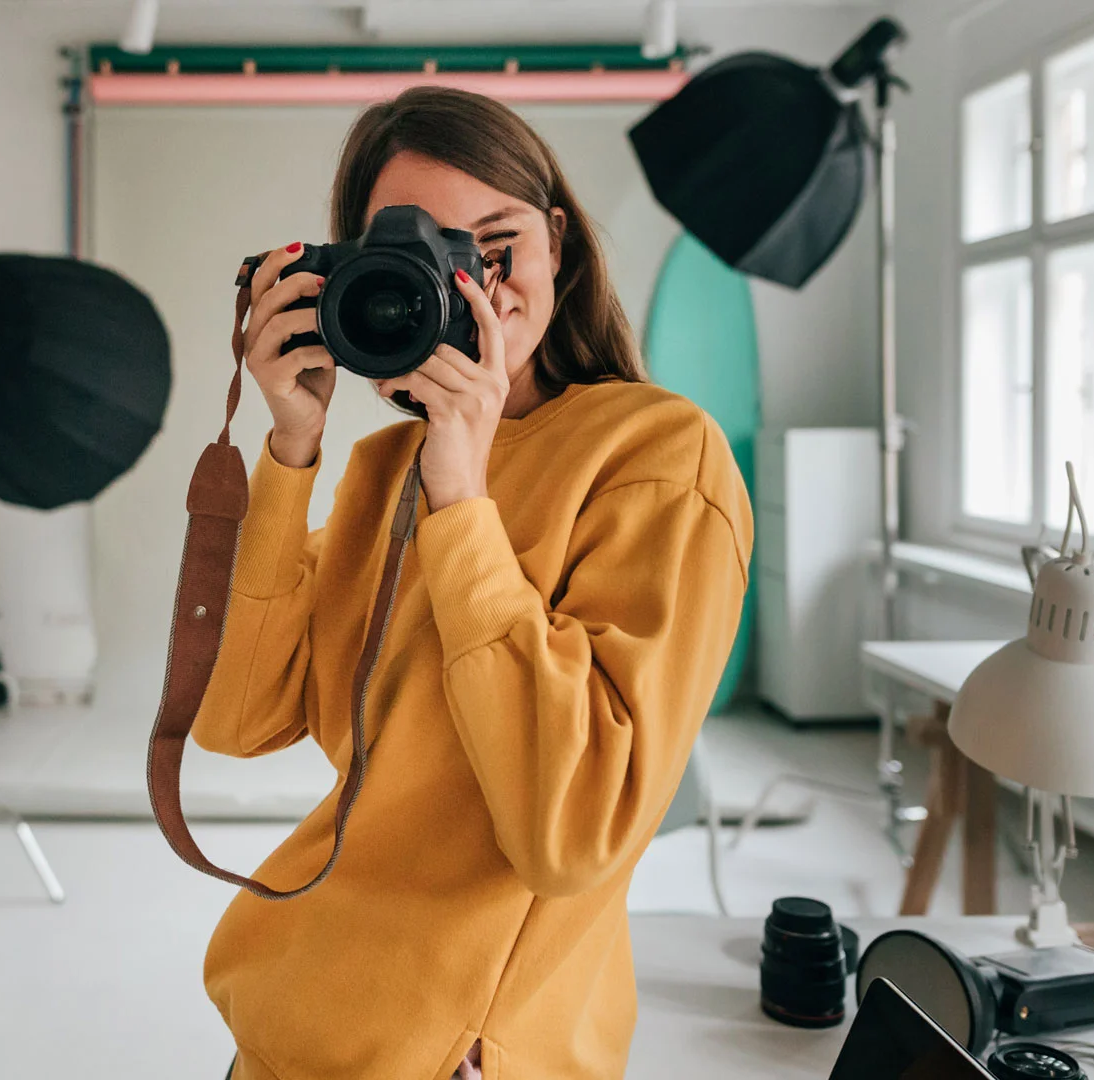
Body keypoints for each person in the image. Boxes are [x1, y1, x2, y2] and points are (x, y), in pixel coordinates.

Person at [192, 85, 752, 1080]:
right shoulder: (375, 471)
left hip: (454, 1061)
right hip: (283, 1021)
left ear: (559, 246)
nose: (469, 289)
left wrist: (462, 496)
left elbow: (573, 833)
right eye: (418, 257)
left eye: (492, 246)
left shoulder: (659, 455)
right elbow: (238, 720)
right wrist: (290, 450)